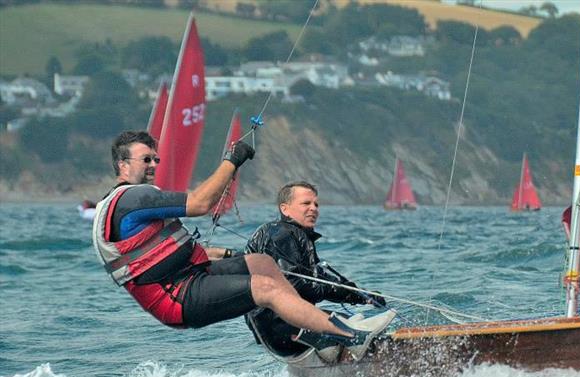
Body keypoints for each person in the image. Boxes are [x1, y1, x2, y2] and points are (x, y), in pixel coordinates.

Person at [92, 130, 392, 354]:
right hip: (177, 297)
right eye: (146, 159)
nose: (154, 164)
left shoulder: (126, 204)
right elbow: (199, 203)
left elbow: (156, 253)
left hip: (191, 276)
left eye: (156, 158)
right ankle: (348, 335)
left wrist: (223, 253)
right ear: (122, 164)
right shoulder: (134, 198)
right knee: (265, 289)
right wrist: (232, 160)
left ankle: (311, 331)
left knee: (262, 263)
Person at [244, 181, 388, 357]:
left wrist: (361, 296)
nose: (314, 208)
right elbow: (295, 284)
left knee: (350, 320)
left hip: (276, 331)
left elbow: (320, 278)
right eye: (306, 203)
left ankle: (331, 346)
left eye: (316, 204)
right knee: (357, 326)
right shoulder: (281, 234)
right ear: (285, 209)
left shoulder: (295, 235)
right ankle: (351, 341)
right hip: (281, 327)